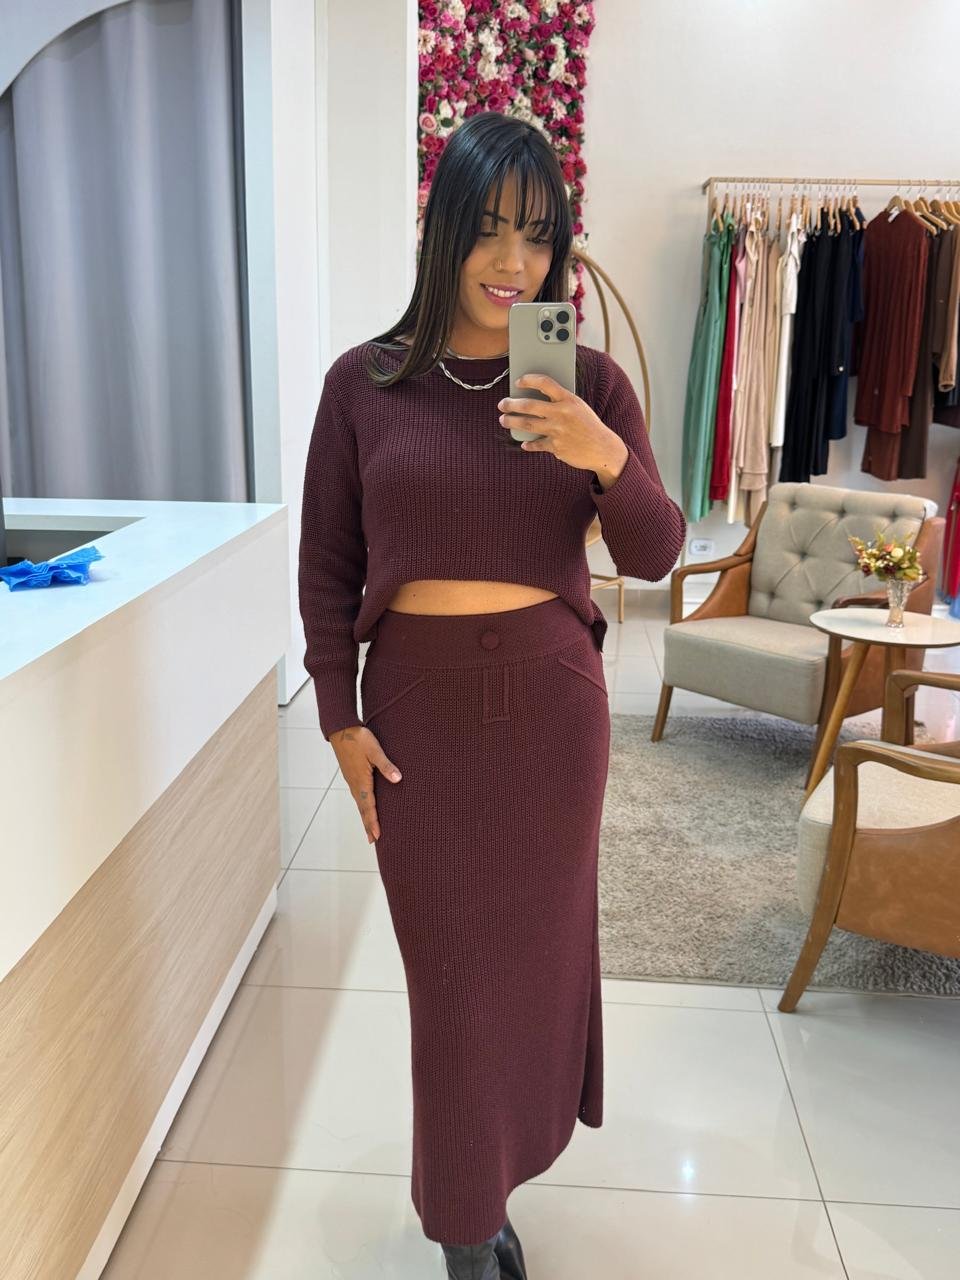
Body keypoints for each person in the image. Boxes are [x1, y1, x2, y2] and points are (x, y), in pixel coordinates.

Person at [298, 110, 685, 1280]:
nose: (514, 261)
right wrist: (337, 713)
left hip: (554, 716)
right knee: (453, 990)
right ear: (444, 229)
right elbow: (328, 568)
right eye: (489, 230)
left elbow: (658, 550)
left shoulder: (589, 382)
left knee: (527, 973)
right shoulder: (364, 383)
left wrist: (602, 454)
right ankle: (467, 1226)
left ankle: (486, 1195)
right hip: (417, 724)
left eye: (538, 234)